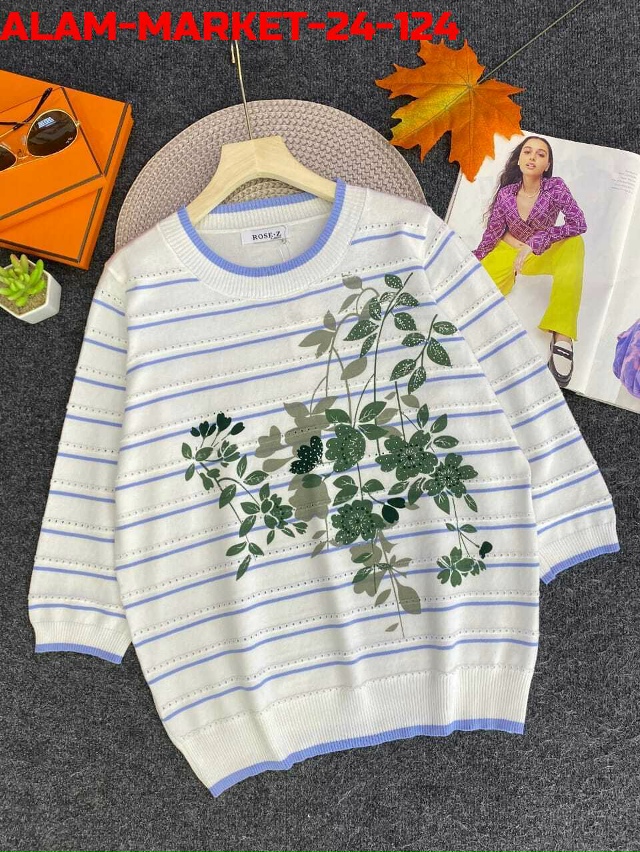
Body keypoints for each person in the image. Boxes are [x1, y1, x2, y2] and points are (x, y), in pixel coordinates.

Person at [473, 136, 587, 388]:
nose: (533, 157)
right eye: (527, 152)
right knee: (471, 296)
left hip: (538, 253)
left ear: (547, 165)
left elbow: (578, 223)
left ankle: (562, 335)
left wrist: (536, 241)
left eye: (541, 154)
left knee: (575, 243)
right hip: (506, 251)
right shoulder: (506, 194)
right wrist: (471, 259)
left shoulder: (555, 188)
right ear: (519, 160)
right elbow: (491, 235)